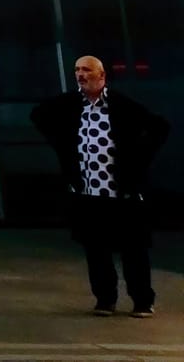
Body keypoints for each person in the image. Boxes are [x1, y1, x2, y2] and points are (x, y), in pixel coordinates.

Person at [31, 54, 170, 318]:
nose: (81, 75)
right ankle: (105, 299)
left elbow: (159, 127)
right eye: (77, 70)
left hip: (122, 194)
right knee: (96, 251)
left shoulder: (119, 105)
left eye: (86, 70)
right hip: (89, 194)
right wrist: (63, 148)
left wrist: (139, 159)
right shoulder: (73, 106)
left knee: (133, 250)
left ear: (102, 76)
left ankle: (142, 300)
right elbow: (39, 115)